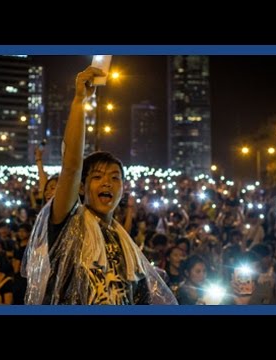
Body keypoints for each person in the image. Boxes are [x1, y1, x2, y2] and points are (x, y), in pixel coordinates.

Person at [22, 66, 177, 305]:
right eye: (98, 176)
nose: (108, 182)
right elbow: (72, 166)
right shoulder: (68, 223)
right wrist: (78, 101)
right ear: (81, 188)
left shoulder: (125, 243)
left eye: (115, 177)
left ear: (123, 189)